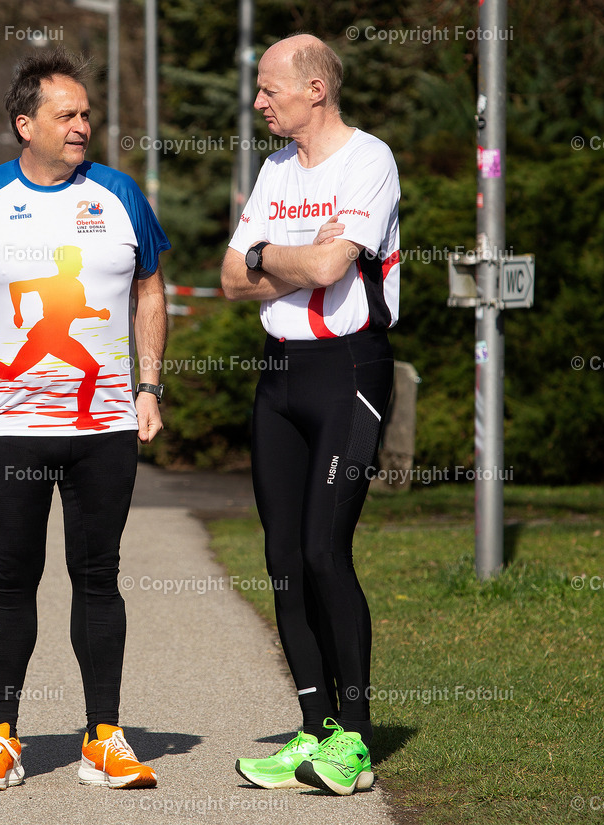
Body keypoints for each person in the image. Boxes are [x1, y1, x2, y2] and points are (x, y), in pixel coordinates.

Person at [0, 48, 169, 792]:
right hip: (12, 427)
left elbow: (150, 292)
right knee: (13, 578)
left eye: (87, 113)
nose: (82, 126)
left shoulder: (121, 194)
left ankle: (105, 736)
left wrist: (150, 386)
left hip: (103, 429)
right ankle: (1, 737)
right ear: (23, 123)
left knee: (99, 577)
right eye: (66, 115)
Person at [221, 33, 400, 795]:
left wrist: (270, 254)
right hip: (280, 377)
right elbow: (232, 277)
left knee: (326, 550)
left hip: (348, 371)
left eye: (269, 89)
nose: (259, 102)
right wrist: (271, 258)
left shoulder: (369, 160)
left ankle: (354, 742)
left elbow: (333, 267)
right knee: (283, 561)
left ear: (314, 90)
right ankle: (315, 727)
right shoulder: (273, 168)